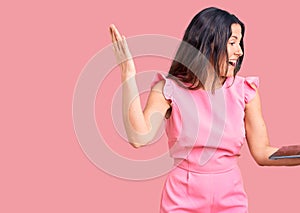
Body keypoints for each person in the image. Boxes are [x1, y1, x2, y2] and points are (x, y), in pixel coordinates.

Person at [109, 7, 300, 213]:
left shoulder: (245, 92)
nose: (240, 51)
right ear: (208, 43)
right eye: (233, 42)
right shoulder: (170, 89)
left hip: (231, 201)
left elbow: (263, 153)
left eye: (240, 43)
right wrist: (128, 74)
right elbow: (139, 138)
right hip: (181, 201)